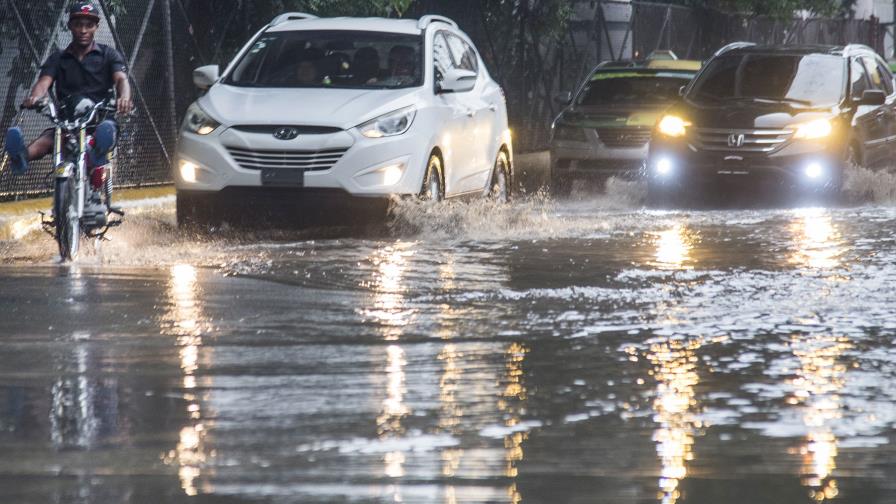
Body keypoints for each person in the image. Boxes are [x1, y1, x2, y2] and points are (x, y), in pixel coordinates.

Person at [5, 1, 133, 175]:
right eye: (78, 24)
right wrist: (35, 98)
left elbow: (121, 79)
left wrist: (124, 97)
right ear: (70, 26)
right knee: (48, 139)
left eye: (89, 25)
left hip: (99, 121)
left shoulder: (108, 55)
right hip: (68, 124)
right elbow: (43, 82)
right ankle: (20, 157)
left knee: (105, 131)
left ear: (96, 27)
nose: (83, 30)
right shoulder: (58, 58)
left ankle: (97, 153)